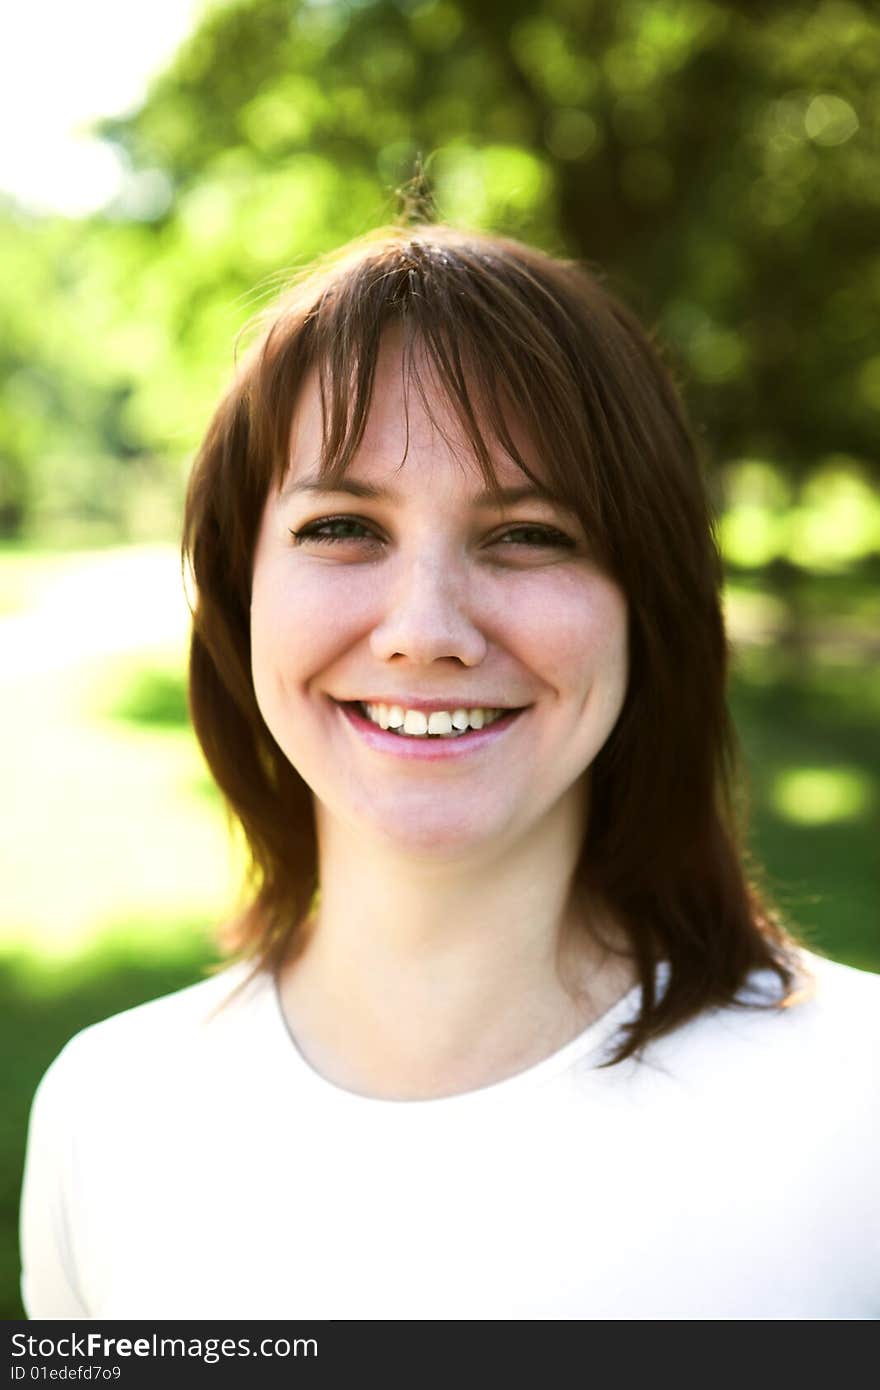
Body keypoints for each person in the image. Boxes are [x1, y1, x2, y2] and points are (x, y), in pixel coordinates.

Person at [20, 224, 879, 1320]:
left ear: (644, 606)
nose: (425, 630)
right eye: (340, 526)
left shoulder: (862, 1107)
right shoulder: (106, 1117)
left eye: (528, 534)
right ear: (241, 598)